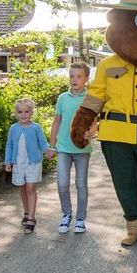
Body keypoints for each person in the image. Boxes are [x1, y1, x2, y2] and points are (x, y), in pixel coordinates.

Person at [49, 62, 95, 234]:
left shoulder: (89, 97)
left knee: (81, 184)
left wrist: (91, 133)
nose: (74, 79)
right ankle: (66, 214)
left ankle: (81, 219)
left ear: (86, 79)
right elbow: (57, 121)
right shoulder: (62, 98)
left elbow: (94, 123)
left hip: (82, 149)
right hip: (63, 148)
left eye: (78, 76)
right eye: (71, 76)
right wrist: (52, 146)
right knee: (62, 183)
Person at [4, 98, 54, 234]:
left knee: (30, 188)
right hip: (18, 164)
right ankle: (26, 212)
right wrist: (7, 161)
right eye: (20, 112)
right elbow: (9, 145)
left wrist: (48, 150)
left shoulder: (36, 127)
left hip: (33, 163)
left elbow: (43, 142)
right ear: (16, 113)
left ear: (32, 113)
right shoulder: (13, 128)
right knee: (22, 188)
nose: (23, 114)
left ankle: (31, 218)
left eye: (26, 111)